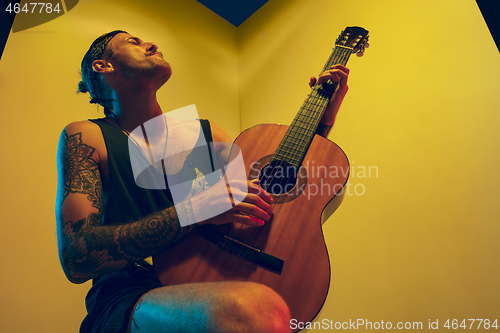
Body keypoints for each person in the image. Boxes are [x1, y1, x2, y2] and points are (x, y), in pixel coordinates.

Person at [56, 30, 350, 333]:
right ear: (102, 66)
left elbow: (271, 194)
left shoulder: (205, 134)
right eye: (133, 42)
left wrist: (320, 123)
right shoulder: (88, 136)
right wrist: (195, 210)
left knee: (263, 309)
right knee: (257, 308)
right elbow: (77, 258)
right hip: (130, 292)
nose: (153, 43)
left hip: (213, 280)